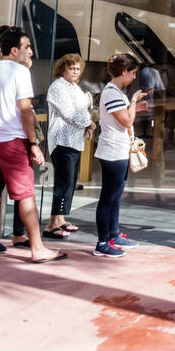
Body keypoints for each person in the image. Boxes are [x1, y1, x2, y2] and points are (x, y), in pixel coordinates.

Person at [0, 26, 65, 266]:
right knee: (26, 196)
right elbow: (25, 109)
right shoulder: (19, 72)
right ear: (14, 50)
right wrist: (33, 143)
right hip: (12, 142)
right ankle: (37, 248)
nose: (30, 51)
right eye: (27, 46)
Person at [92, 53, 147, 258]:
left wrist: (131, 105)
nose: (134, 77)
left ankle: (113, 235)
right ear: (123, 72)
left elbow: (124, 119)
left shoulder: (114, 92)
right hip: (113, 150)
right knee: (109, 197)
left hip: (118, 149)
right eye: (132, 73)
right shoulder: (112, 93)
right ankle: (102, 241)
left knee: (115, 196)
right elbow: (126, 121)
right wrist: (133, 102)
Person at [44, 53, 92, 239]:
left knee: (70, 182)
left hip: (74, 141)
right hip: (62, 140)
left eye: (78, 69)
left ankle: (61, 219)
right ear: (63, 68)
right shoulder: (58, 87)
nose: (75, 71)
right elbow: (71, 113)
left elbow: (83, 109)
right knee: (63, 182)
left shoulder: (74, 87)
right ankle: (52, 224)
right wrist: (89, 122)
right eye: (72, 68)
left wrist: (87, 119)